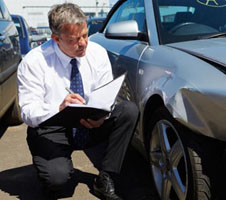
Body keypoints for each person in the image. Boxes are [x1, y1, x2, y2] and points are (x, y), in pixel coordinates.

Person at [17, 3, 139, 200]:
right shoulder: (34, 62)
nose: (83, 43)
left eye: (85, 35)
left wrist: (103, 115)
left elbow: (106, 93)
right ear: (56, 39)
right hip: (52, 127)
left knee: (128, 110)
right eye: (74, 40)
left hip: (89, 123)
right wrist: (59, 107)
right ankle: (55, 168)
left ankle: (106, 178)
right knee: (57, 179)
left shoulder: (97, 52)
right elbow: (28, 111)